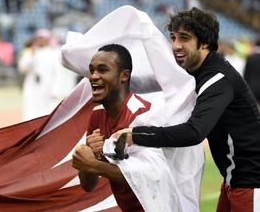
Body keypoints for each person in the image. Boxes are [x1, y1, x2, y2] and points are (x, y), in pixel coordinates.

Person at [114, 7, 260, 212]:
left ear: (205, 42)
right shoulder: (195, 73)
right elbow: (155, 82)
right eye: (173, 38)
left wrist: (135, 135)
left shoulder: (217, 78)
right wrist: (115, 80)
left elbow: (194, 132)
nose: (176, 46)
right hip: (237, 179)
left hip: (258, 181)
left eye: (185, 38)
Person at [72, 44, 185, 212]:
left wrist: (94, 165)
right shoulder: (97, 116)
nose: (94, 76)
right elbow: (88, 185)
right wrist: (91, 158)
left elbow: (149, 175)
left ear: (124, 76)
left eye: (102, 70)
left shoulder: (144, 115)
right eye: (91, 70)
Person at [18, 29, 60, 121]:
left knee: (48, 112)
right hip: (32, 87)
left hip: (48, 87)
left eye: (42, 38)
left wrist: (56, 89)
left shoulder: (53, 53)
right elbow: (23, 68)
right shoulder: (29, 52)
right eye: (38, 38)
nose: (40, 40)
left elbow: (57, 73)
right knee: (31, 111)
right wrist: (32, 54)